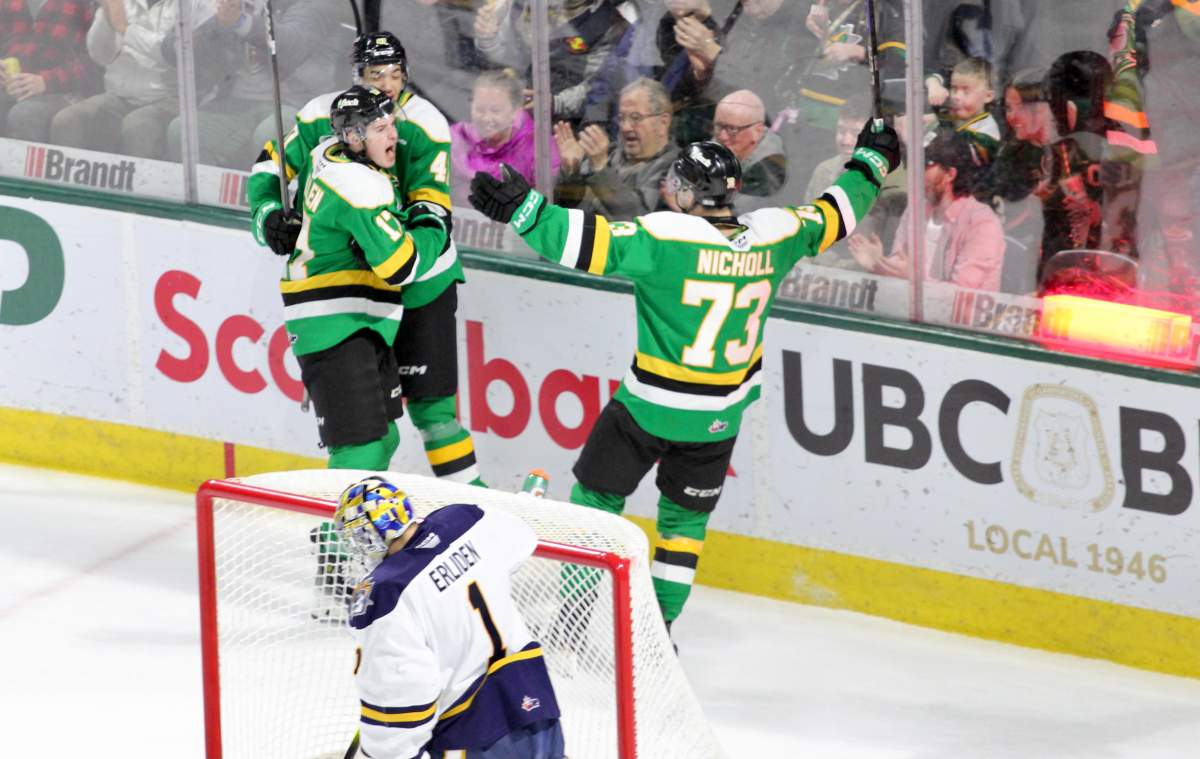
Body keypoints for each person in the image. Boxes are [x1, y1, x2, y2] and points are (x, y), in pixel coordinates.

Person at [468, 123, 900, 627]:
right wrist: (872, 160)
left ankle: (575, 619)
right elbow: (837, 212)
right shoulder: (777, 234)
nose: (669, 190)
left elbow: (584, 244)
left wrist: (526, 212)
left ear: (692, 192)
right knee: (683, 527)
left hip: (649, 409)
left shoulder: (665, 235)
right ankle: (658, 633)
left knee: (595, 502)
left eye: (677, 183)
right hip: (717, 419)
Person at [250, 32, 483, 485]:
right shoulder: (324, 117)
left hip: (418, 281)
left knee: (431, 414)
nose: (389, 85)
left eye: (396, 75)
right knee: (371, 434)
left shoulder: (424, 123)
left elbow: (432, 210)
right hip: (358, 296)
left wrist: (394, 241)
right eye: (377, 75)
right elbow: (271, 166)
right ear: (357, 77)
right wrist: (268, 214)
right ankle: (357, 526)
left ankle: (474, 506)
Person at [336, 476, 564, 759]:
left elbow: (404, 690)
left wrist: (383, 754)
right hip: (535, 703)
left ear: (371, 534)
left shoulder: (384, 594)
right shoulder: (465, 519)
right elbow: (521, 538)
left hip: (472, 732)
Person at [283, 86, 448, 471]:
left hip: (359, 318)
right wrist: (430, 227)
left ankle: (350, 527)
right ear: (354, 137)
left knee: (385, 437)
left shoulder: (329, 154)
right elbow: (401, 266)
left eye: (392, 124)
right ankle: (335, 532)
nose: (393, 135)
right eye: (380, 128)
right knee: (362, 449)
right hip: (334, 324)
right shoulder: (358, 187)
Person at [162, 0, 348, 169]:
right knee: (184, 130)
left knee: (269, 135)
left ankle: (270, 202)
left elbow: (292, 46)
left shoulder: (321, 4)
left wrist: (240, 22)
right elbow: (180, 45)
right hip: (237, 103)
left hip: (297, 105)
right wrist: (184, 42)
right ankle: (208, 201)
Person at [849, 130, 1004, 291]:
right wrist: (880, 265)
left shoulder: (982, 224)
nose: (917, 172)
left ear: (950, 174)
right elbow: (901, 267)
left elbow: (961, 296)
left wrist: (914, 279)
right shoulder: (916, 209)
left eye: (926, 165)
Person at [49, 0, 185, 158]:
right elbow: (100, 56)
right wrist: (107, 17)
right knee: (68, 121)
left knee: (138, 127)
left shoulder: (192, 5)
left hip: (171, 99)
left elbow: (177, 52)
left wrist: (124, 28)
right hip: (118, 97)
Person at [553, 77, 675, 218]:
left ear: (663, 122)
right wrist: (571, 171)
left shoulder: (673, 168)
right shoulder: (609, 152)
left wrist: (601, 169)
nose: (625, 127)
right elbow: (562, 207)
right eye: (622, 118)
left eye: (635, 118)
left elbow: (639, 219)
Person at [450, 68, 559, 208]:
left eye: (496, 111)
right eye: (480, 109)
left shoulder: (539, 147)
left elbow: (544, 208)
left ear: (515, 111)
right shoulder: (456, 138)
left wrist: (569, 171)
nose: (486, 118)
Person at [0, 0, 99, 141]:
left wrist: (46, 81)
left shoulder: (82, 4)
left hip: (67, 91)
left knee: (25, 115)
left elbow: (97, 63)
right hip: (10, 87)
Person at [712, 89, 786, 208]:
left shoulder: (767, 173)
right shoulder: (726, 138)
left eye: (732, 129)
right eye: (718, 126)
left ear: (757, 131)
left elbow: (730, 211)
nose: (722, 136)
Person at [943, 57, 1001, 163]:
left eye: (966, 91)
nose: (956, 97)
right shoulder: (950, 118)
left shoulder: (987, 135)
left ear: (988, 96)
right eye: (954, 89)